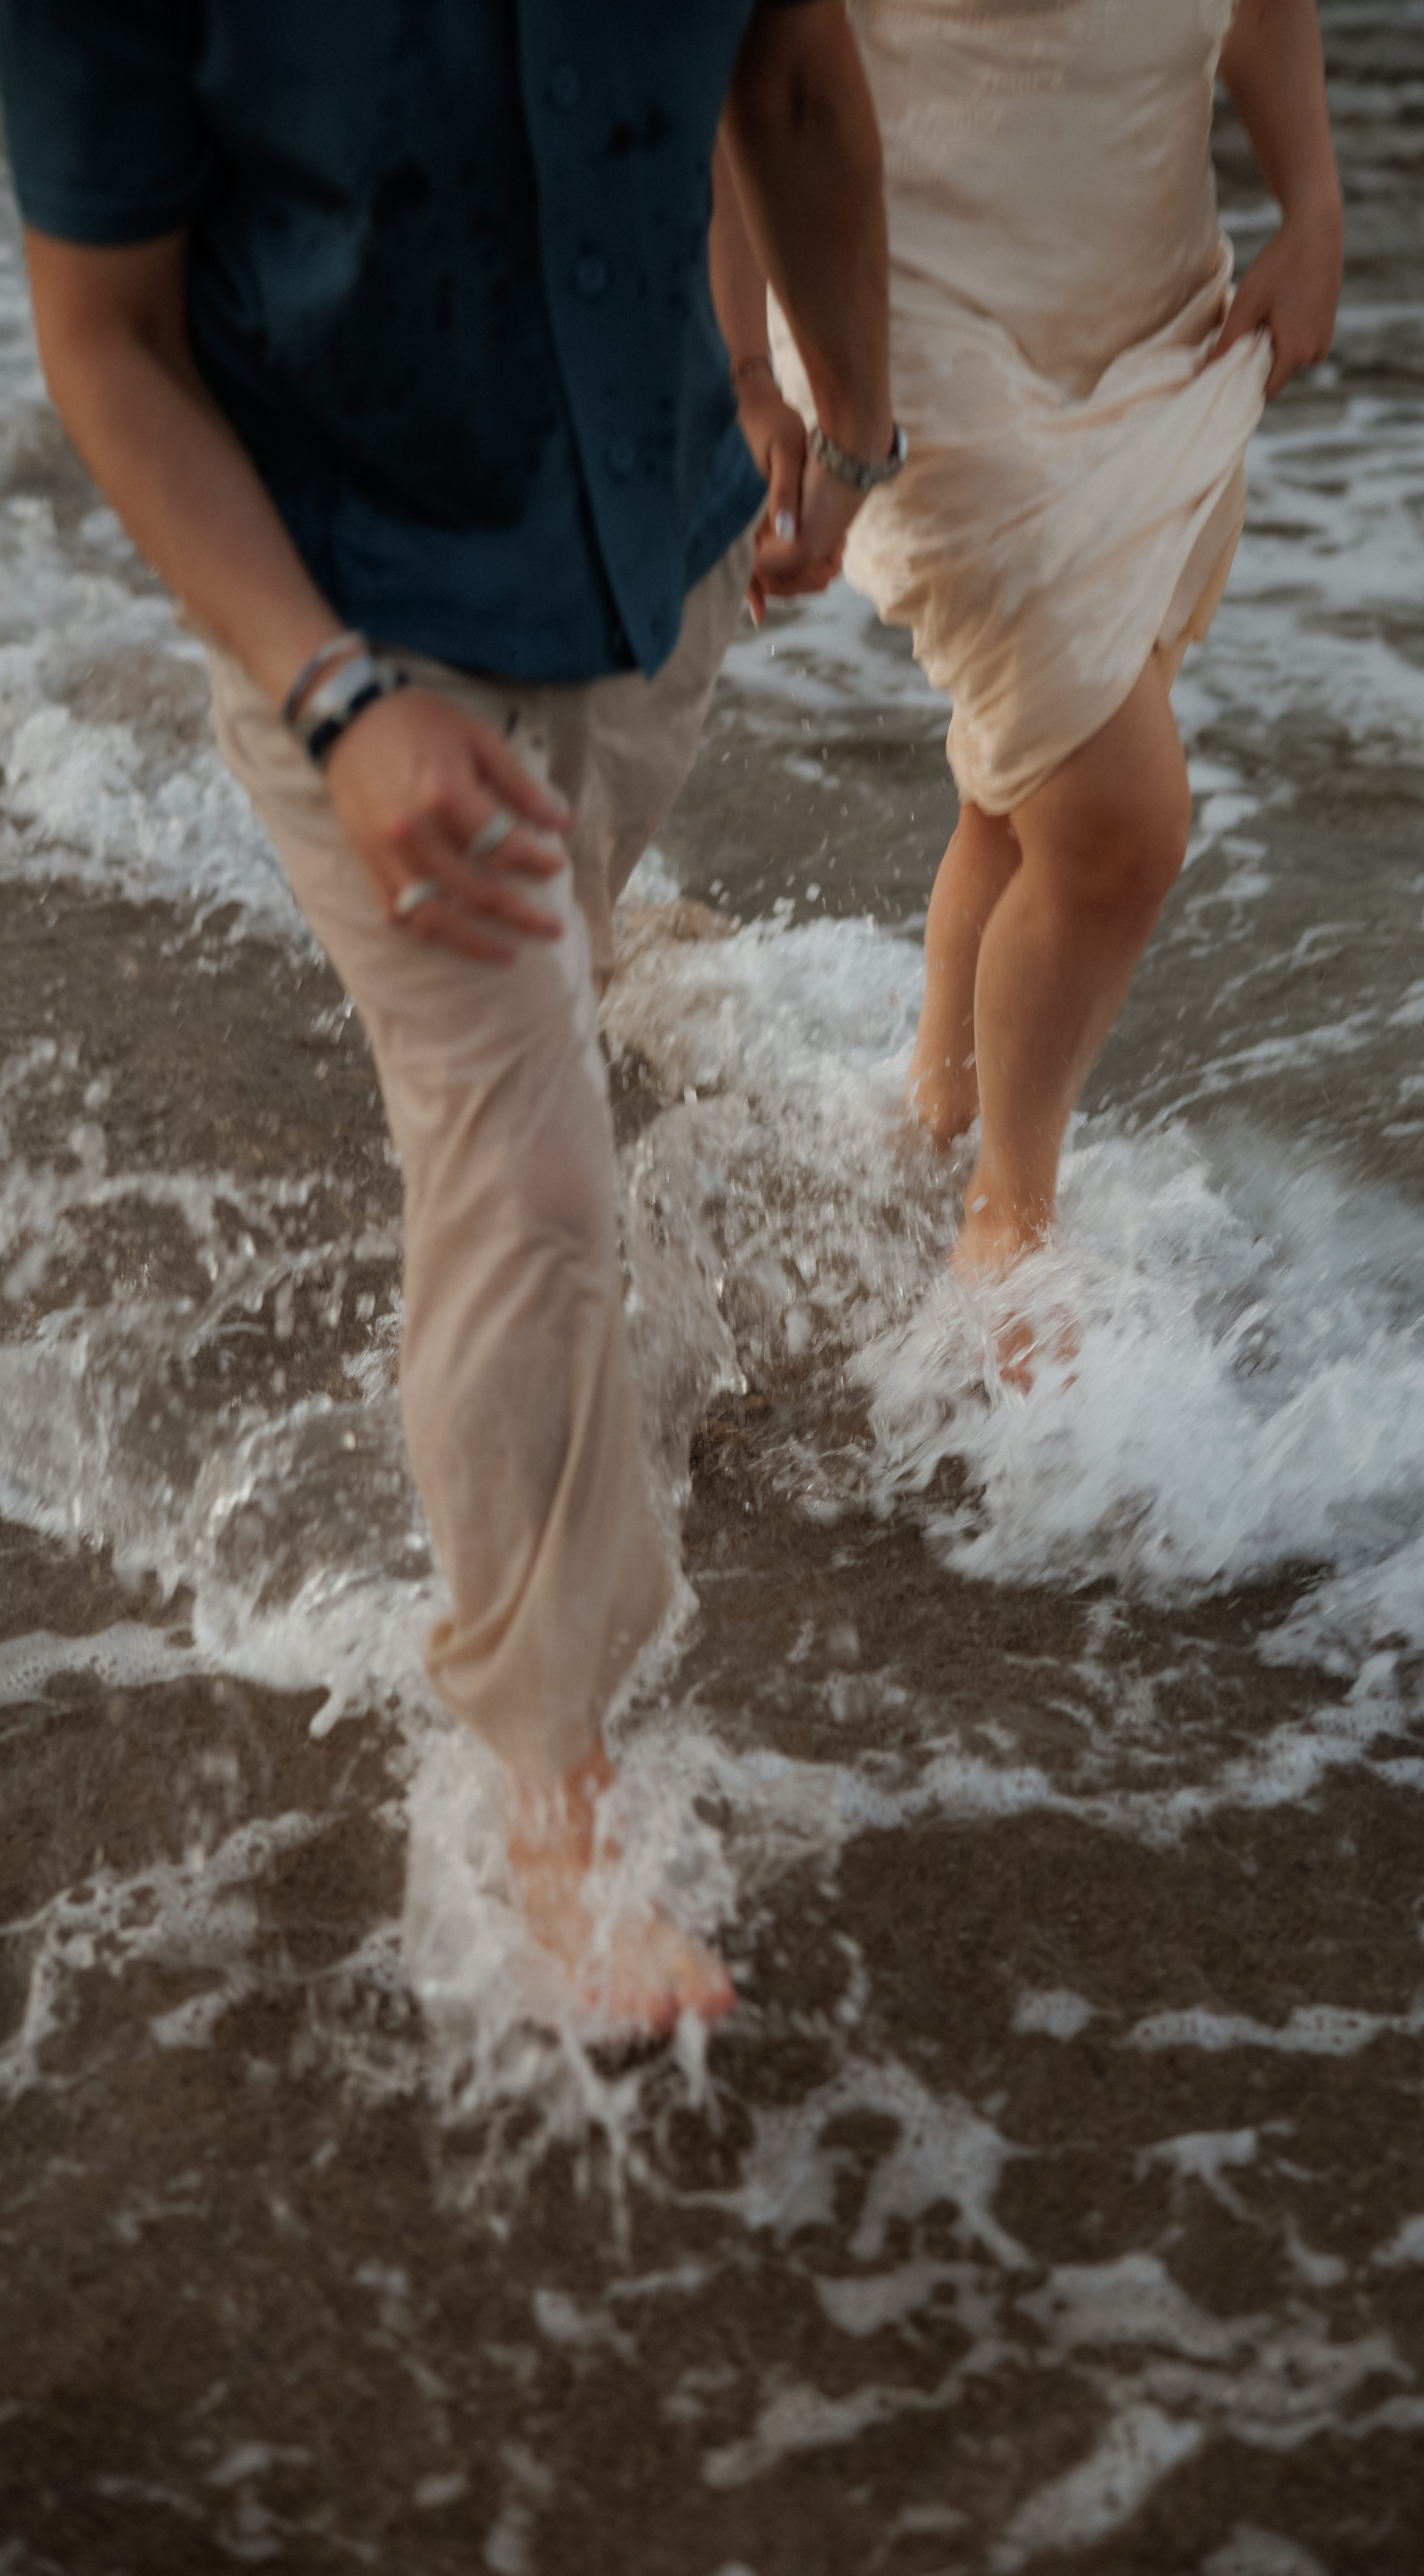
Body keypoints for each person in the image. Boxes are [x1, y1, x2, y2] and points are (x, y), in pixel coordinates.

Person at [0, 2, 896, 2032]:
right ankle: (549, 1815)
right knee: (540, 1167)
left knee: (513, 1098)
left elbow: (798, 80)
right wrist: (334, 695)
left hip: (655, 560)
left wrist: (852, 431)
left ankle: (505, 1441)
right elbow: (109, 341)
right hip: (345, 610)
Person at [746, 0, 1342, 1312]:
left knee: (1020, 804)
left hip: (1153, 325)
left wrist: (1314, 206)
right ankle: (1005, 1232)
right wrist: (742, 372)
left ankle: (933, 1134)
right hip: (898, 334)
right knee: (1117, 820)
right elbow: (742, 60)